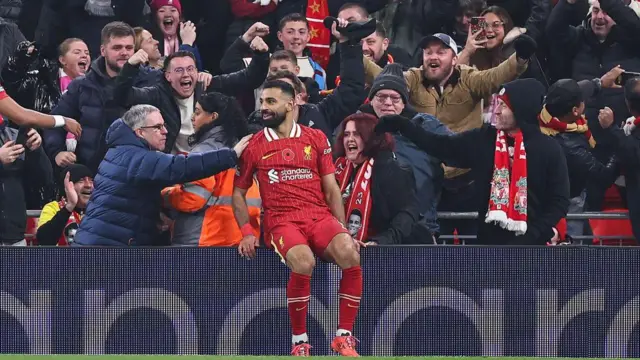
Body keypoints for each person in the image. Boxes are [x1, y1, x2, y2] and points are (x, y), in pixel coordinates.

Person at [232, 81, 362, 356]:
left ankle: (344, 336)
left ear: (291, 104)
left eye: (270, 102)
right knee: (304, 261)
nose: (263, 107)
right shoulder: (254, 145)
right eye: (262, 101)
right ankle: (299, 342)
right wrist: (246, 231)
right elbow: (238, 193)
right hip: (282, 220)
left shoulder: (316, 138)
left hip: (318, 216)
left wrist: (342, 227)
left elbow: (331, 189)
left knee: (349, 252)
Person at [376, 78, 570, 245]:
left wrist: (533, 234)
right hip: (488, 245)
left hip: (534, 247)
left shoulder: (548, 149)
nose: (497, 111)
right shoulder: (484, 140)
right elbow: (440, 146)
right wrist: (404, 125)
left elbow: (559, 201)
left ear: (521, 109)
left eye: (504, 106)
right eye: (497, 104)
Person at [73, 104, 252, 246]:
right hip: (105, 250)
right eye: (158, 127)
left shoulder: (123, 151)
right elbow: (182, 167)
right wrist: (230, 155)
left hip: (101, 244)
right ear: (140, 132)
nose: (165, 131)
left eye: (164, 125)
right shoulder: (137, 156)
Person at [162, 92, 262, 246]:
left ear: (213, 116)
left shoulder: (203, 152)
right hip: (242, 242)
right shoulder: (245, 151)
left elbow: (192, 199)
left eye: (198, 112)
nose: (192, 117)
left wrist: (166, 194)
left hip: (204, 242)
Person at [334, 113, 427, 245]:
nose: (350, 139)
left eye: (357, 134)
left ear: (371, 138)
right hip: (352, 248)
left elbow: (407, 213)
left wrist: (381, 242)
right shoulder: (338, 168)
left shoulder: (391, 168)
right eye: (347, 134)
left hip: (395, 250)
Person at [598, 77, 640, 241]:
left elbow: (634, 154)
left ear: (628, 104)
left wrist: (613, 130)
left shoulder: (626, 135)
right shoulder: (630, 129)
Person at [36, 164, 93, 246]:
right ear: (67, 186)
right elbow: (44, 241)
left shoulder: (98, 210)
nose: (88, 185)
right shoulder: (53, 208)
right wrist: (69, 207)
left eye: (91, 180)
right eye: (81, 181)